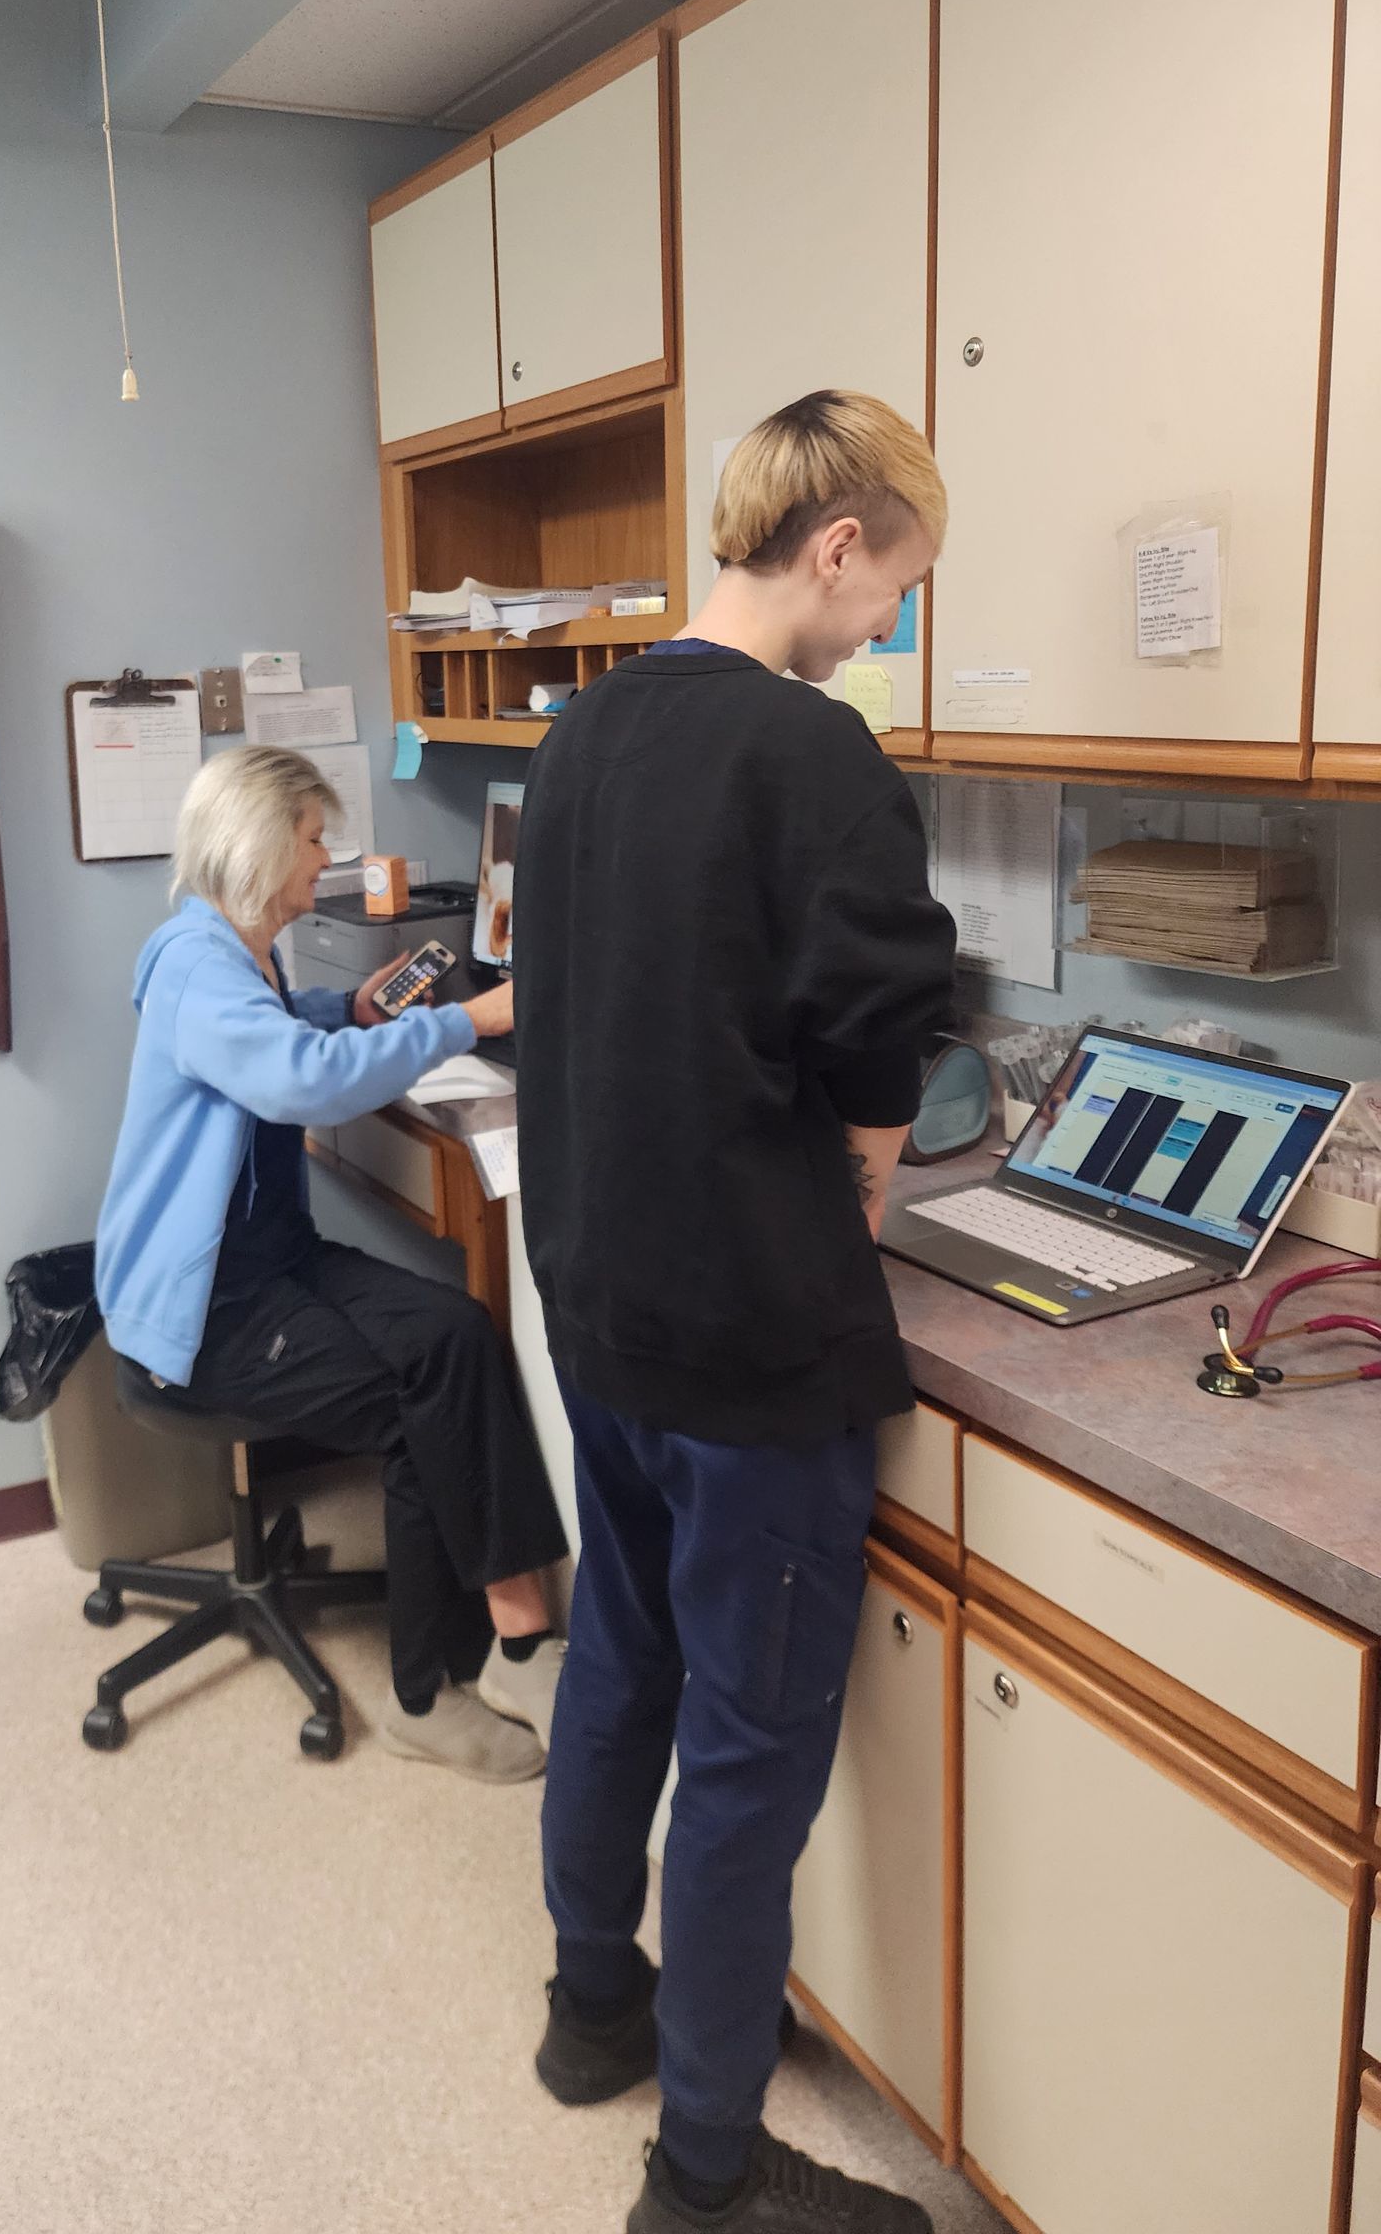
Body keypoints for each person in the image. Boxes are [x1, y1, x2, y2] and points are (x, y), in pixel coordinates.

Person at [514, 392, 958, 2232]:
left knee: (624, 1658)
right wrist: (864, 1195)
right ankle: (706, 2179)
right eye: (899, 590)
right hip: (752, 1347)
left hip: (603, 1306)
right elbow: (871, 1041)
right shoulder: (819, 750)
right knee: (755, 1754)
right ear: (836, 543)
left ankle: (593, 2006)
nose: (891, 631)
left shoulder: (588, 723)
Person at [95, 743, 570, 1780]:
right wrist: (467, 1019)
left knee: (455, 1333)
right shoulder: (193, 963)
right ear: (262, 844)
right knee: (414, 1411)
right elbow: (298, 1081)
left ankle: (522, 1639)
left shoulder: (235, 953)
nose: (326, 863)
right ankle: (422, 1694)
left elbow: (281, 1031)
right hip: (207, 1307)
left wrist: (350, 1010)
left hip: (274, 1262)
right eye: (314, 840)